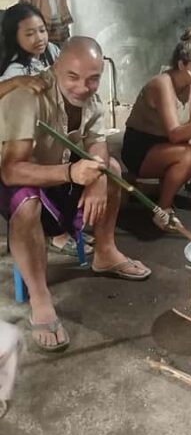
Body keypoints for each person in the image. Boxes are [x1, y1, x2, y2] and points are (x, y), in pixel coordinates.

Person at [0, 36, 150, 354]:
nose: (83, 86)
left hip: (58, 171)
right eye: (73, 77)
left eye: (93, 78)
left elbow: (97, 143)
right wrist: (71, 173)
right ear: (56, 69)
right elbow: (11, 170)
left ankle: (105, 253)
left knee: (111, 170)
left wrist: (96, 178)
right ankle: (40, 297)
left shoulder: (90, 97)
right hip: (15, 176)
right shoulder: (27, 97)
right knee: (27, 204)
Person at [0, 2, 93, 258]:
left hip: (50, 138)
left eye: (41, 30)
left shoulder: (52, 52)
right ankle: (58, 234)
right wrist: (17, 82)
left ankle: (71, 227)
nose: (39, 38)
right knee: (42, 181)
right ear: (13, 36)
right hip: (22, 142)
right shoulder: (15, 70)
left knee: (88, 168)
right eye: (29, 33)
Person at [122, 28, 191, 230]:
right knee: (188, 156)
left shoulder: (190, 84)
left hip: (171, 142)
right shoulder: (162, 84)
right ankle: (162, 209)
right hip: (142, 147)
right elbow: (175, 133)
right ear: (182, 64)